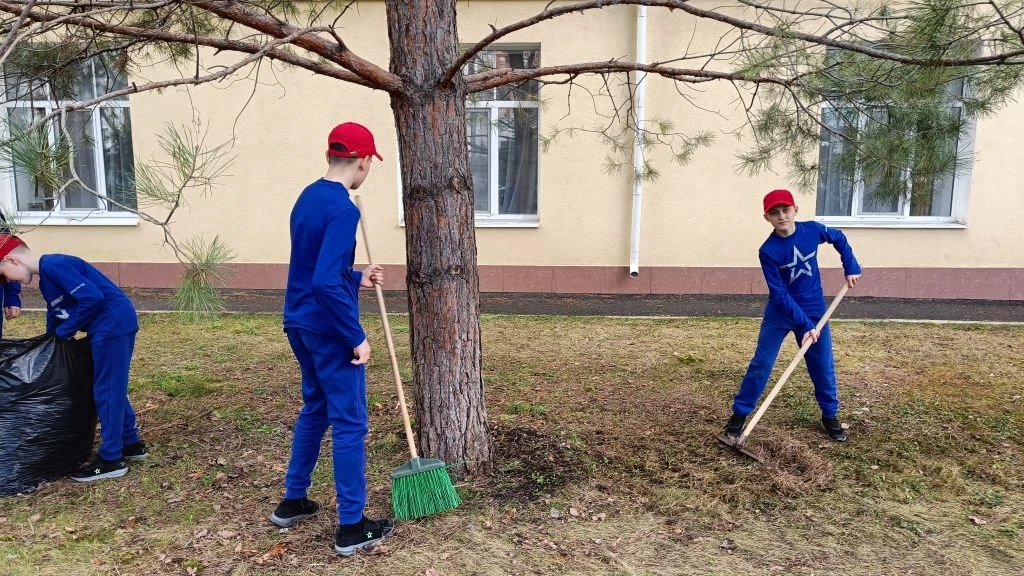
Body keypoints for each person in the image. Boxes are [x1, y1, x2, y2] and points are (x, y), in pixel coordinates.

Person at [270, 122, 393, 557]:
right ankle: (352, 525)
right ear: (363, 161)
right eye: (369, 164)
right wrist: (355, 335)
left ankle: (293, 501)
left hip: (299, 323)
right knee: (350, 422)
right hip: (328, 328)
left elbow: (316, 268)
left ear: (329, 156)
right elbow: (324, 281)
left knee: (316, 408)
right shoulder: (344, 210)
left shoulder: (308, 196)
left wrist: (355, 277)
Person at [0, 234, 147, 481]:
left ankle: (112, 459)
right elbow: (56, 312)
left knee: (107, 390)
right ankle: (130, 444)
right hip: (107, 326)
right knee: (109, 385)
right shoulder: (47, 277)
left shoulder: (54, 264)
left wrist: (66, 331)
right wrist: (50, 341)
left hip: (112, 325)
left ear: (11, 260)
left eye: (3, 275)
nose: (7, 282)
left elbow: (92, 298)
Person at [723, 189, 862, 442]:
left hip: (815, 309)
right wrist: (805, 324)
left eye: (786, 210)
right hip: (781, 312)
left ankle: (830, 415)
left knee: (822, 364)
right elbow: (779, 294)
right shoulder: (768, 251)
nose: (782, 216)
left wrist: (851, 266)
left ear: (795, 210)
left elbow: (839, 238)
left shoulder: (812, 230)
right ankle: (740, 414)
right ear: (767, 217)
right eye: (774, 213)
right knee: (762, 363)